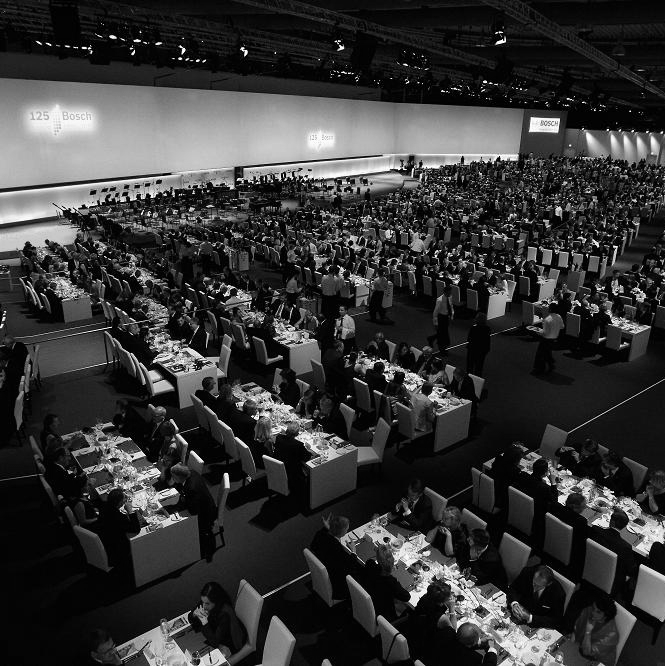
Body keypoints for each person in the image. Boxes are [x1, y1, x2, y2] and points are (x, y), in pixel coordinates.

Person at [170, 464, 217, 561]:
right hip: (207, 505)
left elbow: (193, 511)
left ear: (179, 477)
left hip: (206, 514)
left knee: (177, 519)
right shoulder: (192, 472)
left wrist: (184, 499)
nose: (172, 478)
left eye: (173, 477)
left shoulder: (191, 488)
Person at [188, 582, 246, 659]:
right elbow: (190, 617)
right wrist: (194, 614)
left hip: (227, 641)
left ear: (216, 601)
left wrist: (205, 623)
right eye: (202, 602)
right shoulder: (205, 602)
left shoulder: (224, 614)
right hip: (212, 633)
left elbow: (215, 643)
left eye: (207, 603)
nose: (204, 606)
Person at [310, 514, 361, 600]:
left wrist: (326, 528)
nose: (347, 530)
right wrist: (353, 551)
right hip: (338, 585)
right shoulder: (337, 548)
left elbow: (313, 546)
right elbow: (349, 567)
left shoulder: (320, 534)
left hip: (326, 566)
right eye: (347, 529)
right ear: (342, 531)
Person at [589, 509, 637, 594]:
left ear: (612, 522)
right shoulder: (625, 547)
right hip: (609, 580)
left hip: (590, 567)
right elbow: (631, 569)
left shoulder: (595, 530)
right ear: (624, 526)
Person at [361, 544, 410, 621]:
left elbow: (370, 560)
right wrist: (398, 582)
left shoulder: (370, 565)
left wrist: (379, 554)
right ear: (393, 564)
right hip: (383, 617)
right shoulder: (391, 582)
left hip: (366, 605)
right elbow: (407, 597)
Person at [507, 565, 565, 629]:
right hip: (515, 613)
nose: (534, 588)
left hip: (537, 624)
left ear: (548, 584)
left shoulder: (558, 594)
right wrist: (514, 604)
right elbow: (512, 589)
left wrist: (530, 617)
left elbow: (555, 620)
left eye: (539, 586)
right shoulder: (527, 572)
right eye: (534, 583)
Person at [96, 488, 141, 569]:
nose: (125, 500)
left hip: (105, 540)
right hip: (117, 550)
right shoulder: (118, 517)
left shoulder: (104, 506)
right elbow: (136, 529)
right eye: (124, 498)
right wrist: (130, 511)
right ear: (120, 502)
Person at [573, 594, 619, 666]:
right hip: (580, 649)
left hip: (598, 661)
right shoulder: (589, 611)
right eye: (593, 608)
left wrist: (588, 632)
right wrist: (570, 646)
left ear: (605, 616)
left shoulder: (612, 635)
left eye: (598, 612)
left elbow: (586, 652)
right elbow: (576, 631)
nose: (593, 612)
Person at [273, 422, 310, 495]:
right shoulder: (298, 445)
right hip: (292, 473)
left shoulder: (278, 437)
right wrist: (307, 449)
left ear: (286, 431)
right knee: (308, 469)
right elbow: (306, 457)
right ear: (297, 434)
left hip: (278, 469)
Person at [490, 442, 526, 508]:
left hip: (491, 488)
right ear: (515, 460)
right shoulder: (514, 470)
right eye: (519, 459)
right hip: (501, 498)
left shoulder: (498, 459)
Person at [533, 304, 564, 373]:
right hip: (554, 339)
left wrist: (537, 331)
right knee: (547, 353)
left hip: (546, 340)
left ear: (550, 309)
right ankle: (550, 365)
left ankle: (540, 369)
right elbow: (562, 326)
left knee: (540, 355)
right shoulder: (559, 317)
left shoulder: (547, 320)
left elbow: (545, 333)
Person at [429, 286, 454, 354]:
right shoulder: (440, 300)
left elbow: (451, 306)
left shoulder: (450, 297)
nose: (450, 294)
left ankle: (431, 338)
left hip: (446, 317)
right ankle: (442, 350)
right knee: (442, 335)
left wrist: (452, 316)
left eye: (450, 292)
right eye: (449, 292)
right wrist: (435, 323)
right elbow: (435, 313)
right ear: (445, 292)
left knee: (443, 333)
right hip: (441, 318)